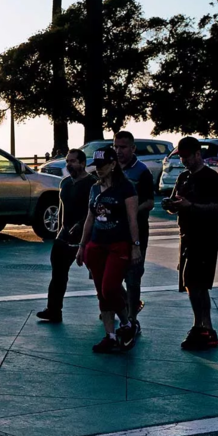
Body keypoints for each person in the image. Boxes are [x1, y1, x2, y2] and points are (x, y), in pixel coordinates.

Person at [76, 146, 141, 354]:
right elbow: (90, 218)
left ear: (113, 165)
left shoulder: (126, 188)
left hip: (117, 244)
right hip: (97, 245)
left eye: (103, 166)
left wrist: (135, 246)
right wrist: (82, 246)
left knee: (109, 288)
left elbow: (133, 220)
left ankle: (127, 322)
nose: (99, 170)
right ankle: (110, 335)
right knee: (101, 293)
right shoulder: (94, 188)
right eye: (97, 166)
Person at [166, 136, 218, 351]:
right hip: (187, 235)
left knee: (199, 282)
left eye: (187, 157)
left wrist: (192, 206)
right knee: (191, 283)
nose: (184, 161)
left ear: (198, 155)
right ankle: (200, 325)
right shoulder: (183, 177)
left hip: (206, 236)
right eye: (181, 157)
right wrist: (172, 205)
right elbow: (176, 201)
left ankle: (206, 327)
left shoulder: (211, 178)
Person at [37, 149, 94, 322]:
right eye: (68, 161)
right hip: (64, 235)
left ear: (83, 163)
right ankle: (54, 310)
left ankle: (114, 307)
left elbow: (95, 210)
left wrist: (81, 225)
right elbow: (62, 207)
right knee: (58, 274)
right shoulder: (65, 183)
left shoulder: (93, 184)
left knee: (98, 274)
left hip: (86, 236)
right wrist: (59, 230)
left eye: (73, 161)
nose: (69, 164)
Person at [114, 130, 155, 344]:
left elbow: (150, 202)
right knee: (109, 276)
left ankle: (132, 318)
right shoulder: (111, 169)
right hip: (113, 231)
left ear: (132, 148)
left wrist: (132, 210)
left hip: (136, 231)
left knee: (132, 275)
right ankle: (122, 306)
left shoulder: (142, 172)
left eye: (123, 147)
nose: (119, 151)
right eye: (116, 147)